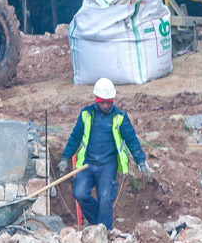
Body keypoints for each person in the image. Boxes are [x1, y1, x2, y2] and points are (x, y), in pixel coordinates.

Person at [58, 78, 151, 229]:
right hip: (87, 164)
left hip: (108, 165)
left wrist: (141, 162)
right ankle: (97, 225)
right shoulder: (86, 115)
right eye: (102, 102)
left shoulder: (120, 118)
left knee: (106, 199)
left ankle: (105, 232)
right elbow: (75, 137)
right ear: (96, 100)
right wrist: (65, 158)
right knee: (80, 193)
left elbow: (132, 140)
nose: (106, 106)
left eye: (109, 102)